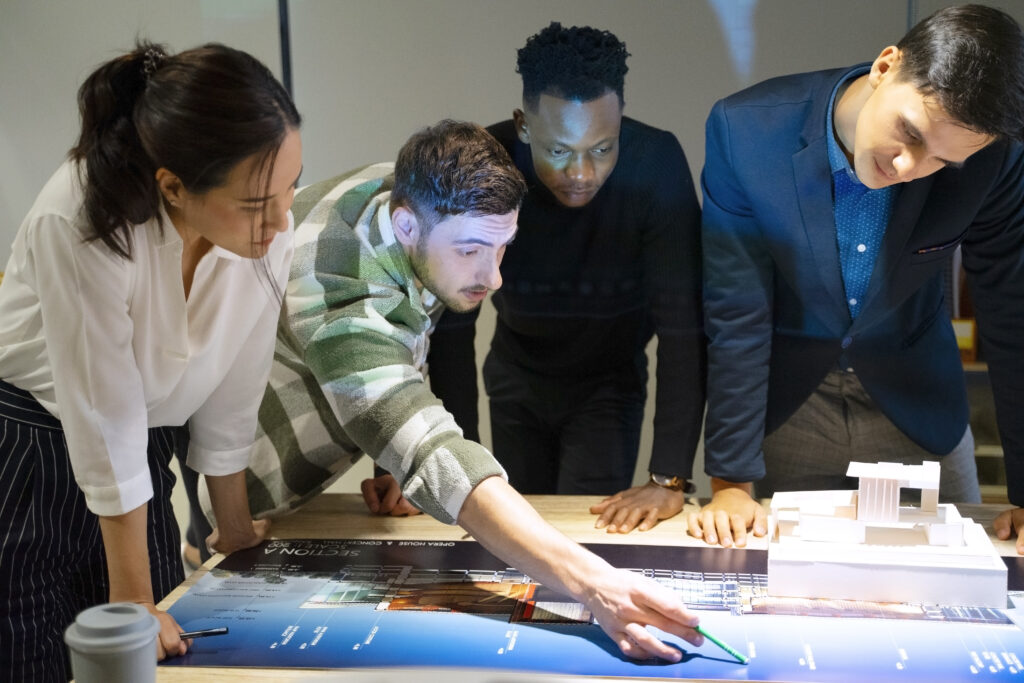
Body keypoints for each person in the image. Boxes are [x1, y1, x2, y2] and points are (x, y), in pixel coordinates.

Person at [224, 120, 704, 660]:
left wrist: (388, 461)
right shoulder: (339, 294)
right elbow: (435, 454)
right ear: (407, 225)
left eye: (503, 248)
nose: (493, 277)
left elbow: (398, 347)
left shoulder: (401, 192)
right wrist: (597, 584)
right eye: (472, 250)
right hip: (246, 483)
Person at [0, 41, 301, 681]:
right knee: (40, 659)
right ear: (172, 185)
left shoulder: (267, 228)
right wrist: (132, 600)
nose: (281, 219)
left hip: (140, 447)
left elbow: (233, 389)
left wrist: (236, 529)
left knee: (172, 657)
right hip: (29, 447)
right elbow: (102, 413)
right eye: (256, 203)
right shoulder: (82, 216)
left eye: (290, 188)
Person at [689, 4, 1024, 550]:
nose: (907, 168)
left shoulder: (994, 159)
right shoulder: (746, 130)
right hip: (791, 401)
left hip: (919, 400)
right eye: (909, 133)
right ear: (886, 66)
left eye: (943, 161)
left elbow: (1013, 313)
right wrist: (731, 480)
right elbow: (737, 309)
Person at [429, 22, 706, 534]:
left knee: (586, 535)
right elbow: (450, 326)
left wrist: (669, 477)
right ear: (524, 125)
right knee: (510, 531)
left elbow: (683, 327)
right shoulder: (485, 161)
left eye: (602, 148)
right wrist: (451, 468)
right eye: (559, 150)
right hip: (516, 374)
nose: (581, 173)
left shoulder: (656, 163)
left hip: (609, 382)